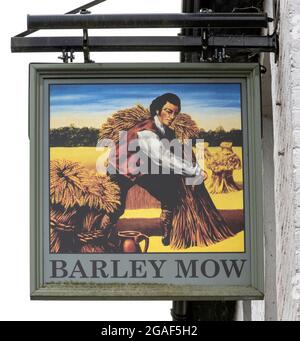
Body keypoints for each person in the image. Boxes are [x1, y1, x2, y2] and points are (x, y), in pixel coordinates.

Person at [101, 93, 204, 246]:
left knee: (169, 194)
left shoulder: (166, 130)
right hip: (120, 168)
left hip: (142, 168)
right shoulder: (147, 130)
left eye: (175, 113)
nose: (172, 116)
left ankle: (167, 233)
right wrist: (195, 171)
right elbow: (163, 157)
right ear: (157, 110)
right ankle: (102, 236)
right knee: (116, 207)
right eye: (168, 111)